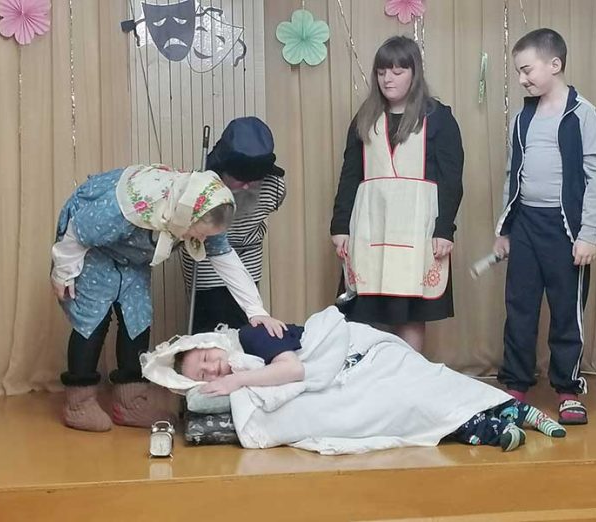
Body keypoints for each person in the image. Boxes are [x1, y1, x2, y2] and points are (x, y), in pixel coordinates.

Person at [50, 164, 285, 432]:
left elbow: (224, 258)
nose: (201, 240)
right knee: (93, 319)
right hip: (92, 250)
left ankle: (130, 400)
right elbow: (79, 232)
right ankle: (79, 403)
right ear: (185, 215)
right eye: (199, 233)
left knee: (137, 317)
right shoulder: (129, 205)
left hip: (132, 255)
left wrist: (256, 311)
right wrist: (63, 273)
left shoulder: (206, 207)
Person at [176, 321, 566, 452]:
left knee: (413, 384)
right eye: (203, 375)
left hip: (350, 352)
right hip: (333, 377)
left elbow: (292, 369)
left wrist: (237, 379)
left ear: (212, 343)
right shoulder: (235, 372)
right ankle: (481, 425)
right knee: (386, 406)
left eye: (206, 358)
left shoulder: (250, 335)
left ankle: (506, 410)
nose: (212, 370)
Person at [493, 29, 596, 425]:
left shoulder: (582, 114)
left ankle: (567, 389)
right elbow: (513, 174)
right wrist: (505, 229)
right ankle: (515, 385)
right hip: (526, 225)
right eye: (519, 71)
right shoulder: (522, 117)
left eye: (527, 70)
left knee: (566, 311)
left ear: (554, 64)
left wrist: (587, 235)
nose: (522, 78)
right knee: (520, 308)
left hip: (567, 230)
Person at [330, 36, 464, 352]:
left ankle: (409, 376)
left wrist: (444, 229)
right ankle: (371, 376)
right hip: (370, 226)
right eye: (381, 72)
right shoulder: (365, 118)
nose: (387, 79)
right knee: (364, 310)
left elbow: (451, 180)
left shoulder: (438, 118)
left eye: (397, 71)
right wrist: (340, 226)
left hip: (417, 229)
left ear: (414, 73)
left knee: (410, 312)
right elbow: (350, 176)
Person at [181, 117, 286, 334]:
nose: (247, 186)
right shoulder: (203, 185)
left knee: (247, 321)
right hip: (206, 254)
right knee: (210, 323)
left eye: (254, 179)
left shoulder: (276, 186)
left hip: (248, 254)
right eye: (239, 179)